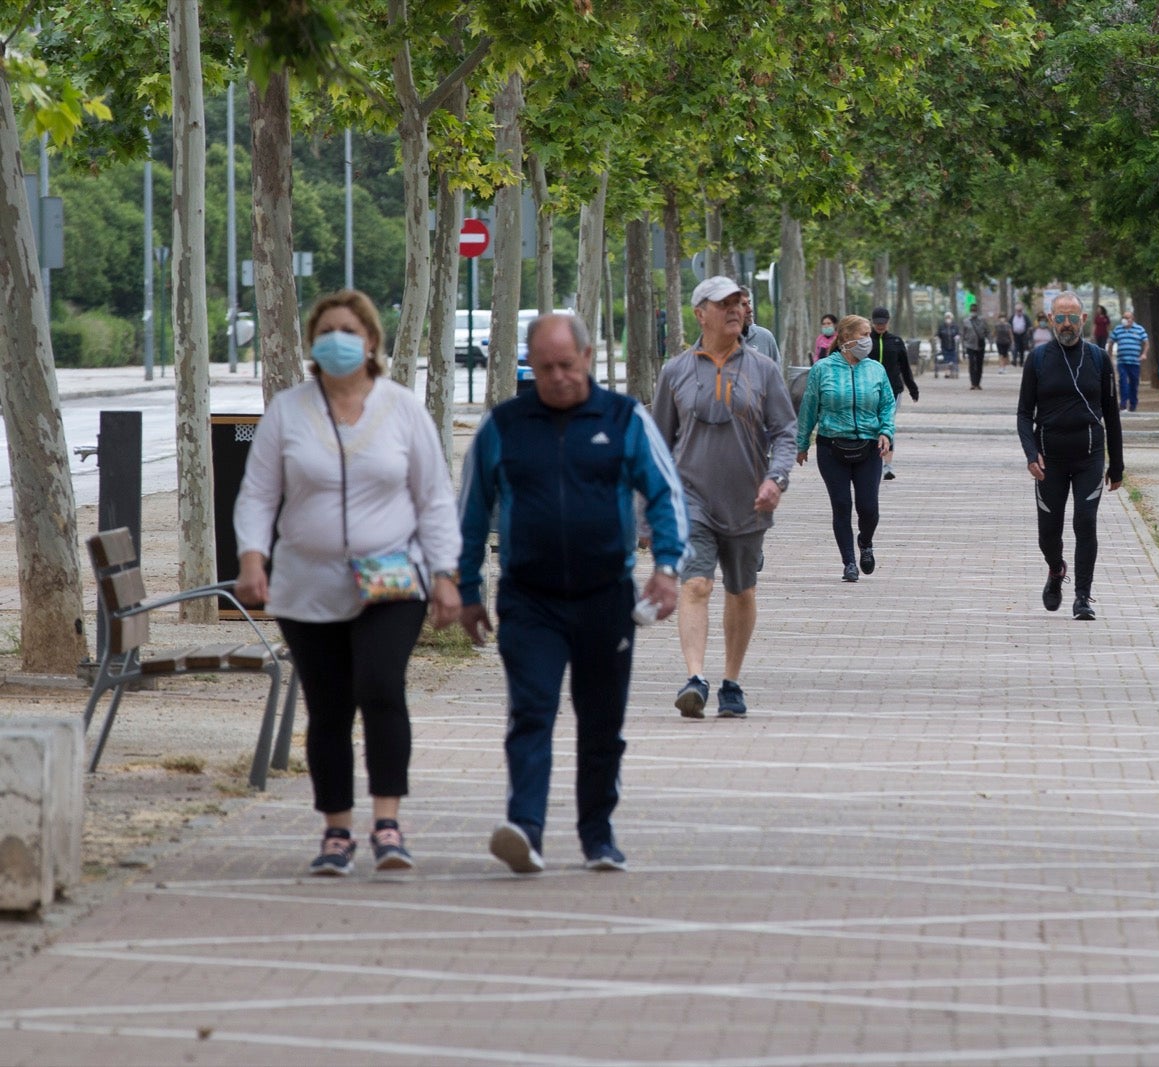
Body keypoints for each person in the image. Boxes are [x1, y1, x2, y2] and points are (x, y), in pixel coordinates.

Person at [234, 289, 462, 877]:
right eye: (327, 329)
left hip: (391, 578)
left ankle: (388, 822)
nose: (338, 339)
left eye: (349, 329)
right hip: (307, 582)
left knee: (382, 686)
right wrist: (253, 558)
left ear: (371, 341)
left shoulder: (403, 409)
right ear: (314, 343)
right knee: (328, 706)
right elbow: (259, 492)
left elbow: (433, 498)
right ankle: (336, 829)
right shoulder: (289, 410)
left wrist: (444, 574)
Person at [459, 314, 686, 875]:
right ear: (528, 366)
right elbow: (468, 513)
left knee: (601, 722)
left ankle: (598, 835)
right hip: (528, 598)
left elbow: (664, 493)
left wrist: (668, 566)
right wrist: (465, 588)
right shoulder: (504, 426)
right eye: (543, 368)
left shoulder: (624, 418)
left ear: (587, 357)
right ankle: (526, 830)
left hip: (604, 596)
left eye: (566, 365)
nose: (557, 377)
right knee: (531, 712)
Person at [653, 276, 798, 720]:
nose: (736, 309)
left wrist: (776, 479)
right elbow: (658, 444)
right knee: (696, 583)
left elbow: (786, 431)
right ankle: (695, 678)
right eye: (725, 304)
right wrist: (647, 516)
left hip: (748, 502)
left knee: (741, 590)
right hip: (691, 498)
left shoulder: (762, 368)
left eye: (740, 302)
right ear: (701, 313)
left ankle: (731, 683)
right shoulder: (675, 371)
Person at [1016, 292, 1124, 621]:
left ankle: (1082, 596)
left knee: (1085, 523)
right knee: (1049, 533)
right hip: (1049, 460)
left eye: (1072, 318)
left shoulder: (1098, 359)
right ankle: (1055, 569)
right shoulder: (1037, 360)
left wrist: (1116, 464)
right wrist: (1031, 453)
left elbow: (1112, 413)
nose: (1066, 324)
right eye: (1060, 318)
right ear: (1050, 320)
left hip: (1089, 455)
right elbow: (1023, 414)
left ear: (1084, 320)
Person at [796, 315, 896, 582]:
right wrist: (802, 443)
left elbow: (887, 404)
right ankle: (849, 562)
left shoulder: (876, 369)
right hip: (832, 447)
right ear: (845, 338)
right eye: (863, 334)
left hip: (869, 446)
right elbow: (809, 407)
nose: (868, 340)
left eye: (868, 335)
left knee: (868, 508)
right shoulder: (823, 369)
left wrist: (886, 431)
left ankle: (865, 542)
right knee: (841, 505)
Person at [867, 306, 918, 480]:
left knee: (887, 424)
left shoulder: (896, 342)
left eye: (883, 322)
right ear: (872, 322)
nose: (880, 326)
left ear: (888, 322)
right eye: (877, 323)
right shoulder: (865, 341)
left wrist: (912, 388)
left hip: (892, 391)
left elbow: (905, 367)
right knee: (871, 425)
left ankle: (887, 466)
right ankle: (871, 461)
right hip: (868, 391)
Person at [1108, 308, 1149, 412]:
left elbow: (1146, 343)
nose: (1125, 319)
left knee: (1134, 383)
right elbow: (1111, 342)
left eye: (1127, 317)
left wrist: (1144, 354)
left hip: (1135, 362)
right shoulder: (1118, 329)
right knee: (1123, 382)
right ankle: (1123, 404)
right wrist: (1109, 356)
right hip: (1122, 361)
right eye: (1123, 317)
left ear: (1132, 319)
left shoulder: (1139, 329)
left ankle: (1133, 404)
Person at [738, 285, 782, 363]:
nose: (750, 309)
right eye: (743, 305)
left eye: (749, 303)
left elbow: (776, 372)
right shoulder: (716, 341)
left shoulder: (765, 338)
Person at [960, 302, 990, 390]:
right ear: (970, 311)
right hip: (970, 345)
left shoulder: (982, 321)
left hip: (980, 345)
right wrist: (963, 346)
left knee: (979, 364)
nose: (974, 312)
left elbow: (987, 331)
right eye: (972, 310)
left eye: (975, 310)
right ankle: (973, 383)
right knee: (972, 364)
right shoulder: (966, 321)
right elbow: (963, 334)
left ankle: (978, 382)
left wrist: (990, 341)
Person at [936, 311, 961, 379]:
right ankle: (947, 373)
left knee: (952, 360)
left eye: (949, 317)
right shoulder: (942, 326)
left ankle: (952, 372)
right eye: (947, 317)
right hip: (944, 345)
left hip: (953, 346)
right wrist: (938, 339)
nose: (948, 319)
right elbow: (938, 334)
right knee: (946, 360)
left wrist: (957, 337)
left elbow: (958, 333)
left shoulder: (955, 326)